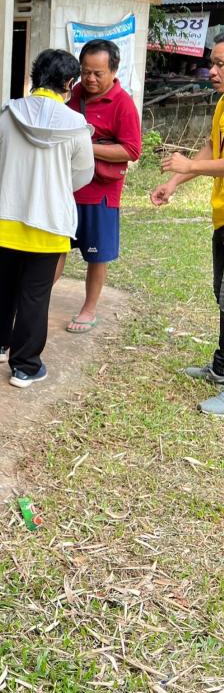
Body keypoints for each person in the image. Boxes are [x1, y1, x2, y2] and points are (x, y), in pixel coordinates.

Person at [0, 48, 94, 387]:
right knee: (34, 294)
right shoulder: (76, 126)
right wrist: (53, 187)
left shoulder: (6, 115)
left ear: (34, 77)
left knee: (3, 284)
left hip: (5, 217)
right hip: (49, 222)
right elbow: (82, 175)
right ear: (69, 83)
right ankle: (25, 366)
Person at [152, 32, 224, 415]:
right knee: (221, 295)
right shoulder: (222, 104)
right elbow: (213, 148)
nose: (212, 71)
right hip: (221, 216)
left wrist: (190, 164)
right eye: (213, 63)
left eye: (221, 65)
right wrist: (175, 182)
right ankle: (221, 368)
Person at [58, 38, 142, 332]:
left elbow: (132, 150)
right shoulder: (73, 94)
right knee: (56, 247)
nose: (90, 79)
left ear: (114, 71)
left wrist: (86, 147)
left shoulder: (123, 104)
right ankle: (36, 299)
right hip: (67, 190)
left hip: (100, 193)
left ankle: (88, 309)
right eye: (85, 72)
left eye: (98, 73)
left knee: (97, 255)